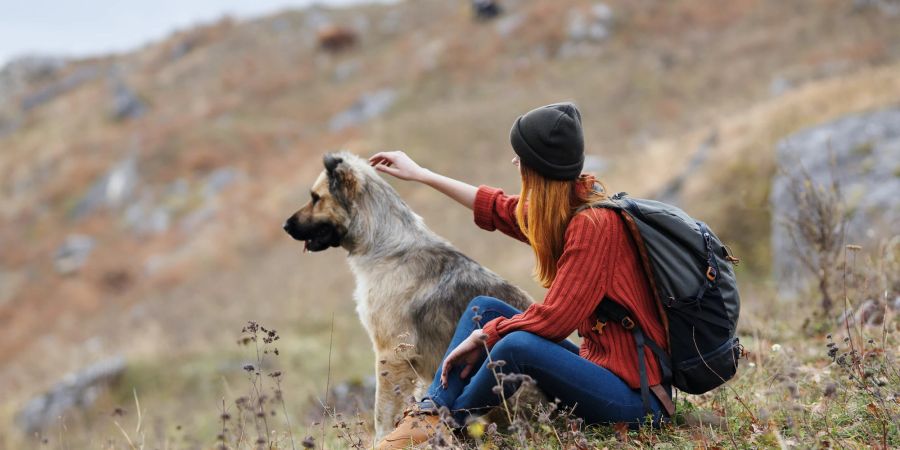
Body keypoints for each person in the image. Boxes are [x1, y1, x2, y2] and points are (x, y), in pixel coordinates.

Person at [368, 102, 670, 449]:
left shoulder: (594, 227)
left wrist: (485, 335)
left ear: (540, 167)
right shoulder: (564, 210)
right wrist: (423, 174)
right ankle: (429, 414)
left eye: (522, 156)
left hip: (637, 400)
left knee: (515, 344)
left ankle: (444, 432)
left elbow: (556, 321)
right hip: (602, 371)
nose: (515, 162)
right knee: (484, 306)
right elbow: (497, 207)